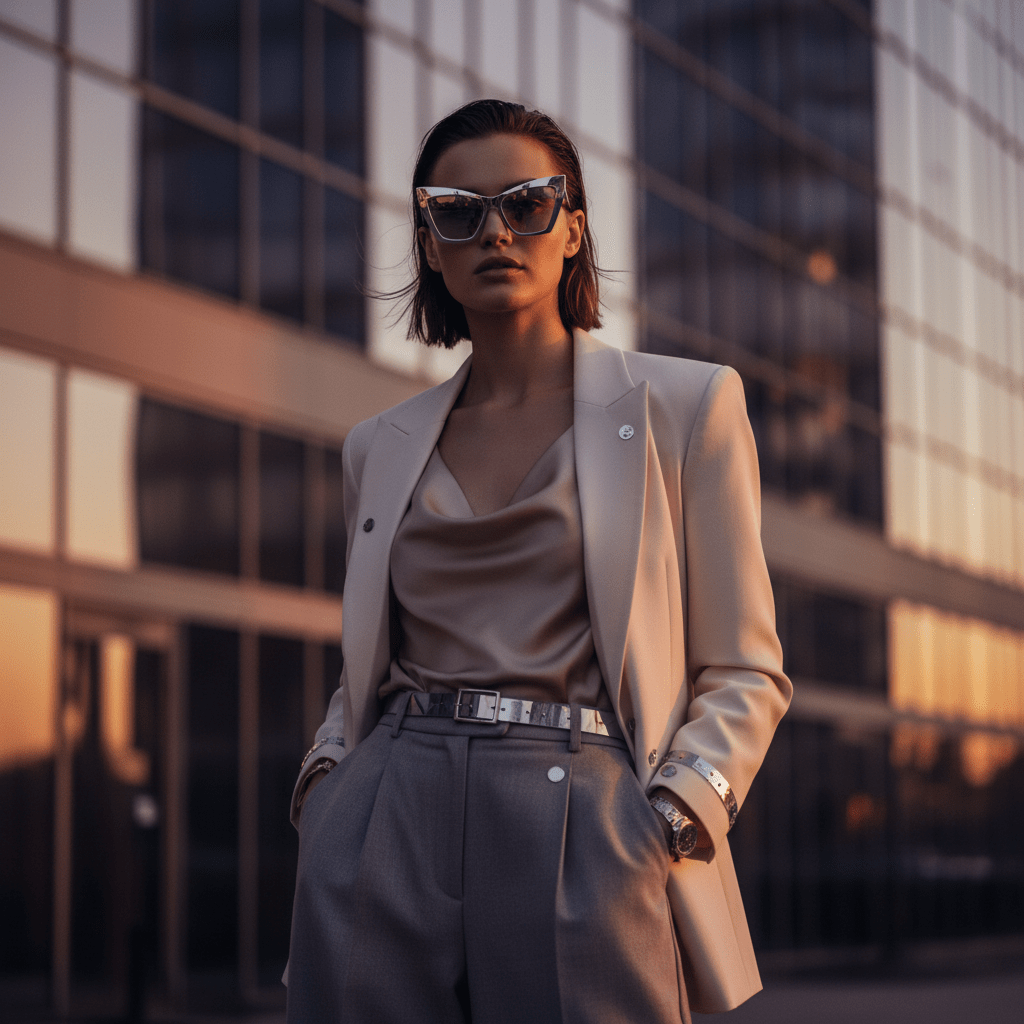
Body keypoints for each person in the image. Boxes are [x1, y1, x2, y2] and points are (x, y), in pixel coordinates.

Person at [285, 99, 791, 1024]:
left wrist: (677, 812)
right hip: (388, 806)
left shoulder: (688, 408)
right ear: (430, 245)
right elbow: (367, 659)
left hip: (588, 813)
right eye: (458, 211)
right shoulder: (377, 446)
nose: (496, 232)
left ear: (574, 228)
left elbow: (746, 667)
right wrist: (328, 788)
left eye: (526, 203)